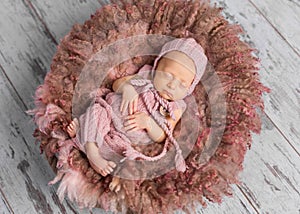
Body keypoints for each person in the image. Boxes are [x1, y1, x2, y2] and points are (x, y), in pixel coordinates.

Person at [67, 38, 207, 191]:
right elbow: (116, 84)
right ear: (156, 66)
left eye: (182, 84)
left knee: (128, 156)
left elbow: (162, 135)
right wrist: (127, 89)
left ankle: (90, 145)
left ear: (189, 89)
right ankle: (92, 151)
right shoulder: (145, 76)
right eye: (167, 75)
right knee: (96, 111)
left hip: (126, 139)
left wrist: (148, 123)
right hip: (109, 115)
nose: (172, 85)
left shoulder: (175, 108)